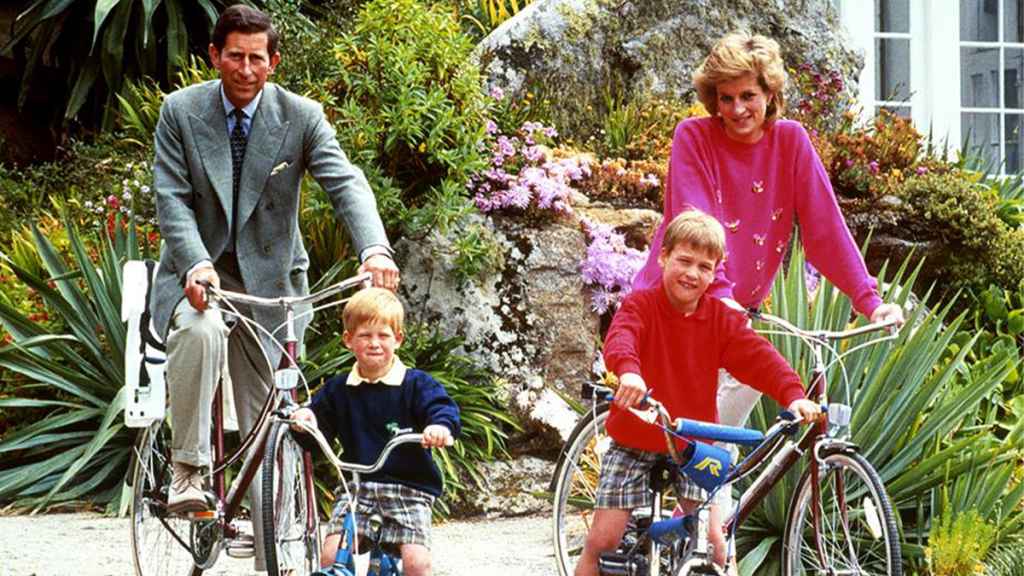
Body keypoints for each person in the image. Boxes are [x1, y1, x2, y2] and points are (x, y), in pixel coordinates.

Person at [150, 3, 399, 569]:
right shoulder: (181, 112)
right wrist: (193, 263)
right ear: (214, 56)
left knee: (272, 417)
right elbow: (172, 200)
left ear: (274, 61)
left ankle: (271, 551)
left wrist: (374, 247)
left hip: (271, 285)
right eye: (233, 55)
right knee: (202, 329)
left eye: (256, 58)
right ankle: (188, 468)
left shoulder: (301, 116)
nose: (244, 68)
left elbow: (346, 183)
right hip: (201, 276)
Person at [631, 31, 904, 468]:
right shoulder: (693, 138)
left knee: (714, 446)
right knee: (675, 445)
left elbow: (825, 232)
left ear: (770, 92)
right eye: (725, 98)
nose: (736, 109)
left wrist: (870, 302)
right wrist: (718, 292)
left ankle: (707, 526)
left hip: (734, 316)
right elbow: (694, 224)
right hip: (678, 305)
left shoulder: (791, 142)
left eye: (748, 96)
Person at [576, 210, 820, 576]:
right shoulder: (641, 305)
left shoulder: (721, 320)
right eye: (684, 261)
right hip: (635, 438)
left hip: (691, 444)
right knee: (603, 541)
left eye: (704, 267)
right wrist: (630, 374)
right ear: (663, 257)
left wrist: (793, 395)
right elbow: (621, 338)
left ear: (715, 272)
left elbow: (759, 358)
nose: (692, 274)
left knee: (715, 546)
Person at [290, 287, 460, 576]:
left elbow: (442, 408)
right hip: (358, 487)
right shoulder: (339, 389)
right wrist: (306, 420)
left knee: (417, 564)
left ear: (398, 339)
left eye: (383, 335)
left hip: (410, 489)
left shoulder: (415, 384)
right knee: (331, 556)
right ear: (348, 340)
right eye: (365, 336)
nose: (374, 343)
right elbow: (318, 427)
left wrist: (438, 427)